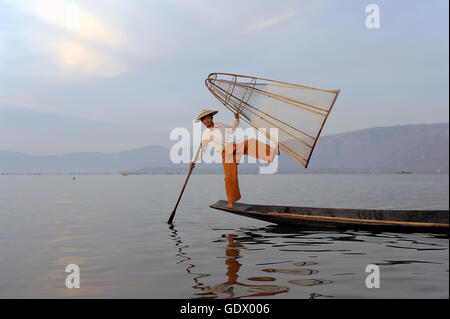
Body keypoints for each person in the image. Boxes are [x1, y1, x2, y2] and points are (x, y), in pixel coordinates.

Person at [190, 109, 279, 209]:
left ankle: (271, 153)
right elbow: (202, 150)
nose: (206, 120)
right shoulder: (205, 135)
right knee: (230, 177)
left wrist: (236, 119)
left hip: (233, 147)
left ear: (211, 117)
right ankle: (231, 202)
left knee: (250, 142)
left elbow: (232, 129)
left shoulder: (220, 125)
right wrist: (193, 161)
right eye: (204, 119)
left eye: (208, 117)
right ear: (202, 122)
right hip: (226, 154)